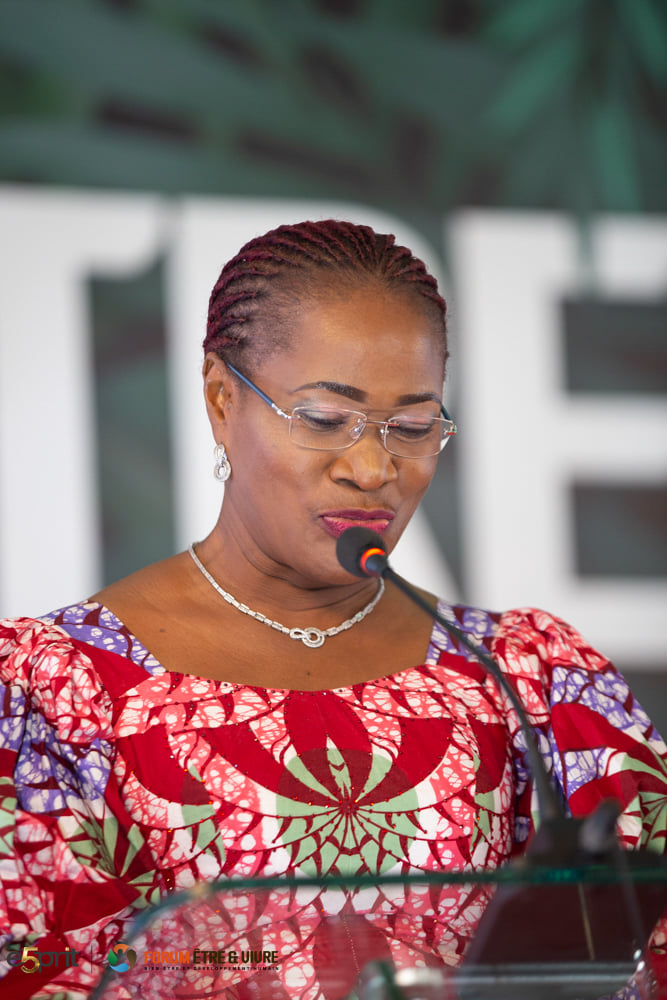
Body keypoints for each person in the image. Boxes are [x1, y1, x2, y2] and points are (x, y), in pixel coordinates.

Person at [0, 219, 665, 999]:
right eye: (323, 420)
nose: (372, 467)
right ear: (221, 399)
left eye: (412, 427)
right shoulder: (55, 692)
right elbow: (36, 971)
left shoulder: (527, 678)